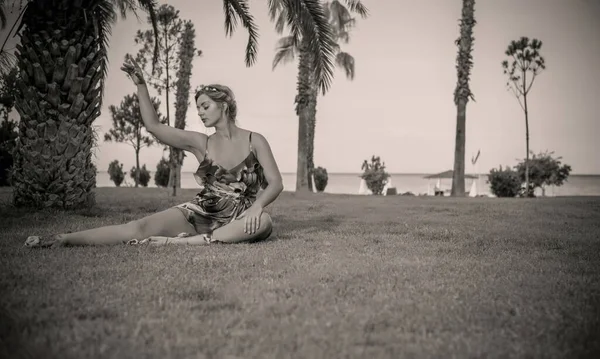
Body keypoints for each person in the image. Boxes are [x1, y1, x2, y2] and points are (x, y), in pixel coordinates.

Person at [24, 58, 284, 248]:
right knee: (139, 227)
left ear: (224, 105)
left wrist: (257, 207)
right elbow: (154, 127)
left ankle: (183, 244)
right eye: (199, 108)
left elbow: (276, 183)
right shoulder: (201, 142)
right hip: (200, 212)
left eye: (205, 106)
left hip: (239, 218)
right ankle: (63, 239)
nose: (201, 112)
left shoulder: (255, 140)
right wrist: (141, 86)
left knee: (265, 223)